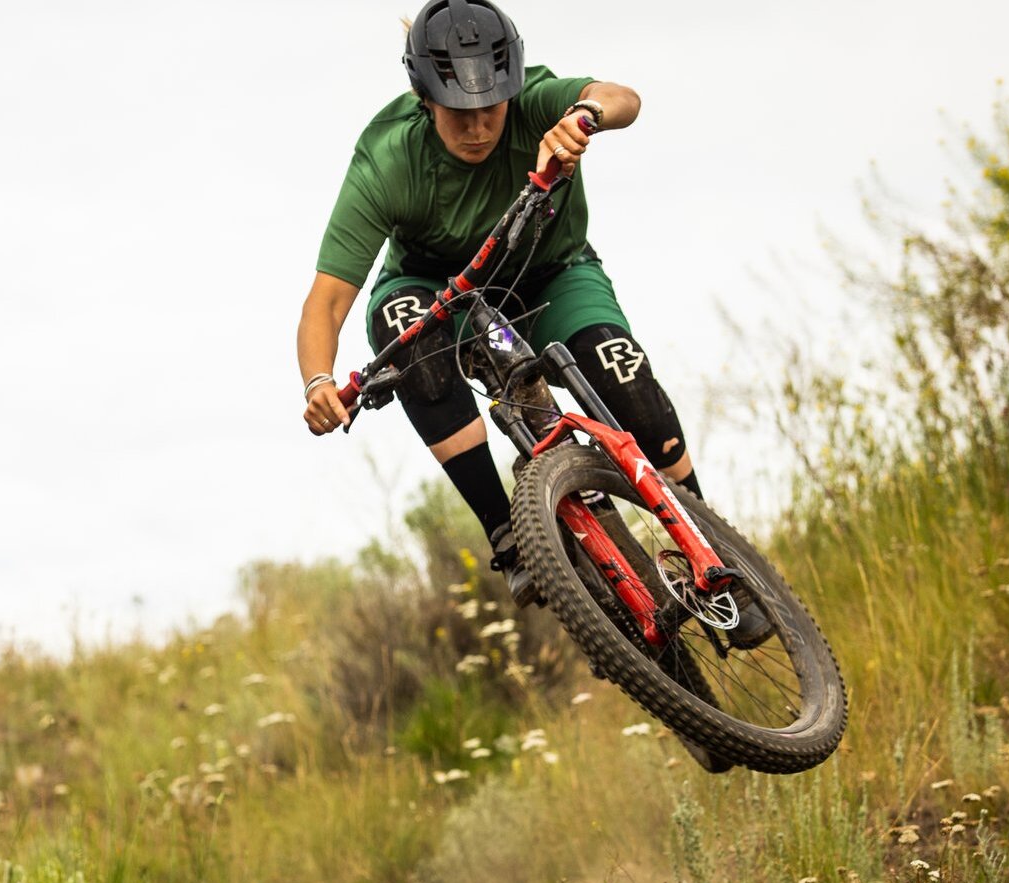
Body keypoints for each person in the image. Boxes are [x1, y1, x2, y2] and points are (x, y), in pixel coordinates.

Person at [298, 0, 705, 598]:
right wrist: (317, 382)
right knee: (398, 326)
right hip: (445, 296)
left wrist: (586, 116)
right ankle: (507, 531)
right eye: (458, 112)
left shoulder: (539, 99)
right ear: (425, 98)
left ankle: (711, 545)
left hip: (553, 273)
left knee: (626, 383)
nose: (479, 127)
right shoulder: (388, 159)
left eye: (491, 107)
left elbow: (625, 98)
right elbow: (327, 301)